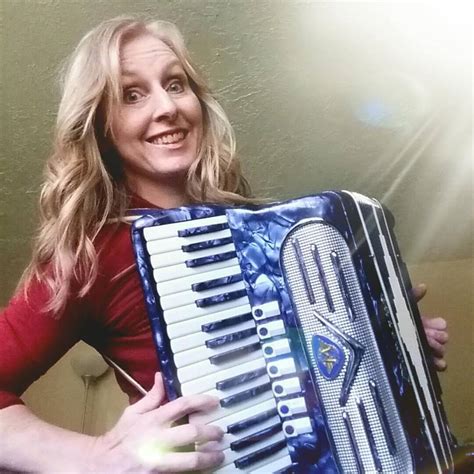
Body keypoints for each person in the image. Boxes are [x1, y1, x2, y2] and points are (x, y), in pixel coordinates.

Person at [0, 15, 449, 473]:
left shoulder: (261, 231)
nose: (167, 107)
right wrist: (97, 458)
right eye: (132, 95)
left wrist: (386, 342)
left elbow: (300, 371)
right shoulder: (93, 252)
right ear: (100, 125)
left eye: (175, 84)